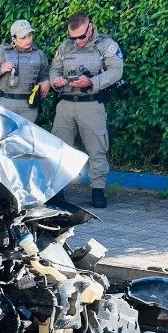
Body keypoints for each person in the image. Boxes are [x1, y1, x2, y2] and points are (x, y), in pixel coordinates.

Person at [50, 13, 124, 208]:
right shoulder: (65, 46)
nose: (78, 41)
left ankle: (98, 191)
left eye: (81, 37)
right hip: (65, 104)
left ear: (90, 27)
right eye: (74, 37)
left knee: (97, 149)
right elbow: (54, 70)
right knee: (59, 148)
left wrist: (93, 82)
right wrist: (55, 81)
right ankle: (58, 191)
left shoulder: (106, 45)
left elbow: (116, 70)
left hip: (91, 103)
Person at [0, 19, 51, 123]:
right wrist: (0, 70)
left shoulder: (39, 54)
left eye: (30, 35)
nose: (28, 40)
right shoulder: (1, 52)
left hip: (28, 107)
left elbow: (45, 76)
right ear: (14, 38)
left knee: (24, 138)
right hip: (4, 104)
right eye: (23, 37)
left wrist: (47, 81)